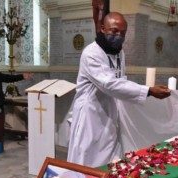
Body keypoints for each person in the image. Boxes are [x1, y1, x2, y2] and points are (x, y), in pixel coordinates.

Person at [67, 12, 171, 167]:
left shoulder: (118, 52)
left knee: (109, 155)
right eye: (114, 31)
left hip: (109, 111)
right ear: (102, 28)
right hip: (90, 114)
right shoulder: (91, 53)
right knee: (86, 157)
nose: (119, 36)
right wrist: (148, 90)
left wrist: (140, 93)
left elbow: (120, 80)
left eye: (123, 33)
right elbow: (109, 84)